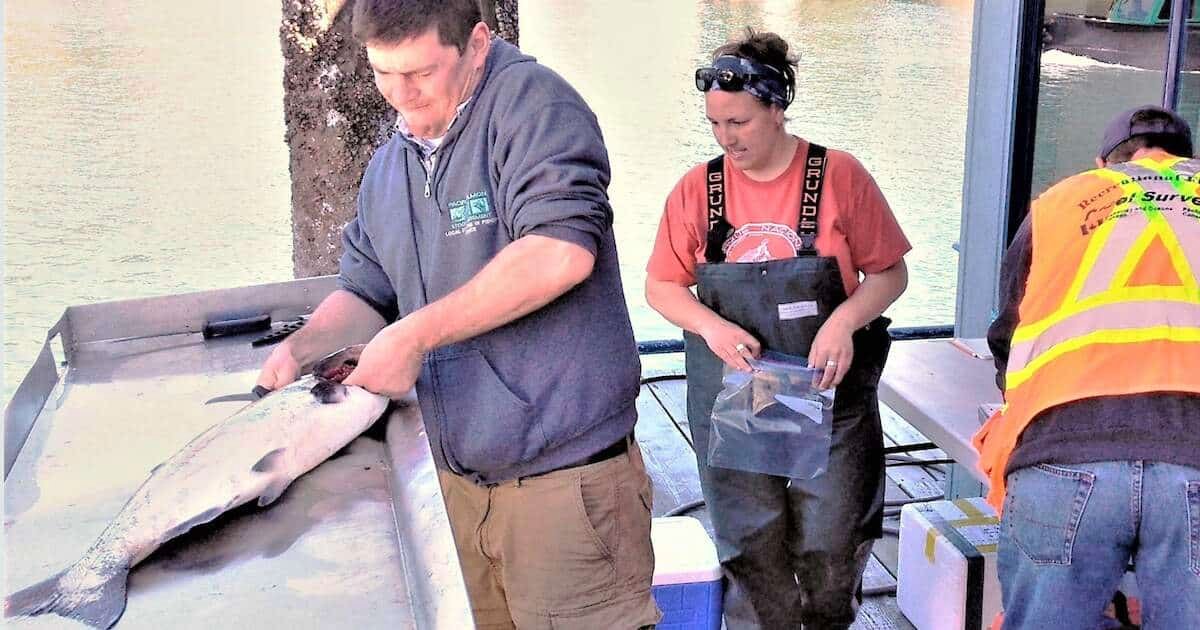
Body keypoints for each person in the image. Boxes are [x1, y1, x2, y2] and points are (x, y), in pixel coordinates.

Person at [255, 1, 659, 627]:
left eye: (418, 73)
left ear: (475, 42)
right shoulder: (392, 162)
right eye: (382, 75)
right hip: (455, 487)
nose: (400, 97)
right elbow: (367, 292)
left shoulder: (534, 107)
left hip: (564, 490)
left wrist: (413, 336)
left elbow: (559, 252)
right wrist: (303, 348)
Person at [644, 29, 910, 630]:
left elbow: (890, 273)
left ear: (776, 105)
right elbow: (661, 286)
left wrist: (844, 321)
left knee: (832, 539)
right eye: (715, 123)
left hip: (829, 395)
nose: (725, 137)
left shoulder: (839, 175)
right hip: (734, 399)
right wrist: (709, 326)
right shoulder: (697, 189)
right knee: (749, 542)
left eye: (738, 121)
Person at [975, 104, 1200, 628]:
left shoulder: (1064, 201)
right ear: (1186, 163)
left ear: (1105, 164)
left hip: (1063, 452)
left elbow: (1008, 335)